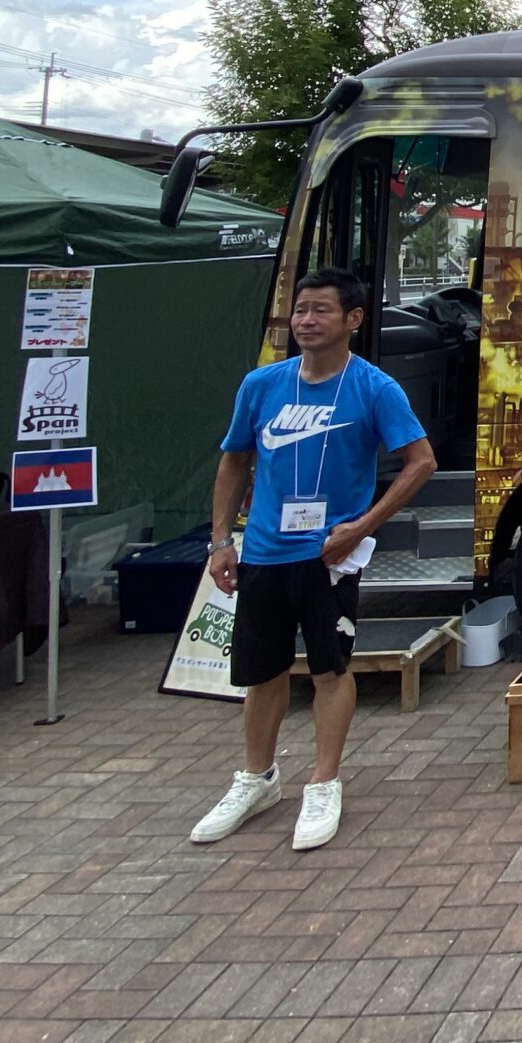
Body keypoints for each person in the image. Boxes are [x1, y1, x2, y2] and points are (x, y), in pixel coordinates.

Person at [190, 268, 434, 852]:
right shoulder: (261, 385)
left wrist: (362, 526)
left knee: (329, 669)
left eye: (321, 310)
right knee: (263, 672)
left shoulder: (374, 388)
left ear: (353, 319)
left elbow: (421, 461)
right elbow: (234, 461)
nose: (306, 321)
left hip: (329, 558)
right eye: (300, 310)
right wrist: (221, 541)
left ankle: (323, 782)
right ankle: (256, 779)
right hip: (264, 553)